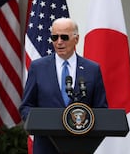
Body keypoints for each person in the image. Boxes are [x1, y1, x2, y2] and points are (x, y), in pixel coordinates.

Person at [19, 17, 107, 154]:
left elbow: (101, 109)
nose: (59, 42)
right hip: (46, 146)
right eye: (55, 37)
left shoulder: (92, 69)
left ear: (76, 39)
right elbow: (26, 106)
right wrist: (41, 122)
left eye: (64, 37)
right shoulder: (38, 67)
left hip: (80, 146)